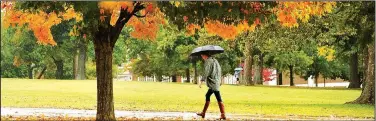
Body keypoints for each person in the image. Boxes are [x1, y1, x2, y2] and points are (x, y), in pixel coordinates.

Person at [196, 52, 226, 120]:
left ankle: (223, 115)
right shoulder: (215, 60)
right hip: (216, 82)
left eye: (202, 56)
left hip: (213, 83)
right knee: (208, 95)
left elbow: (206, 72)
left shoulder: (208, 61)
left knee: (218, 97)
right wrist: (220, 80)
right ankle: (203, 113)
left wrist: (201, 81)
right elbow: (219, 71)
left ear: (205, 55)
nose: (202, 57)